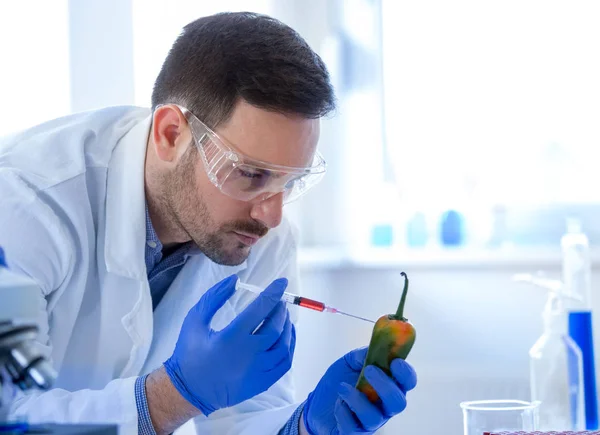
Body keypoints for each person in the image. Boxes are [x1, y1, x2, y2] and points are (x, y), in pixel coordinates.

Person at [0, 11, 417, 435]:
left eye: (290, 182)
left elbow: (243, 419)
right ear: (170, 135)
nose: (271, 215)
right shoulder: (26, 204)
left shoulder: (259, 236)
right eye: (251, 174)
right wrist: (170, 399)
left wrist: (305, 426)